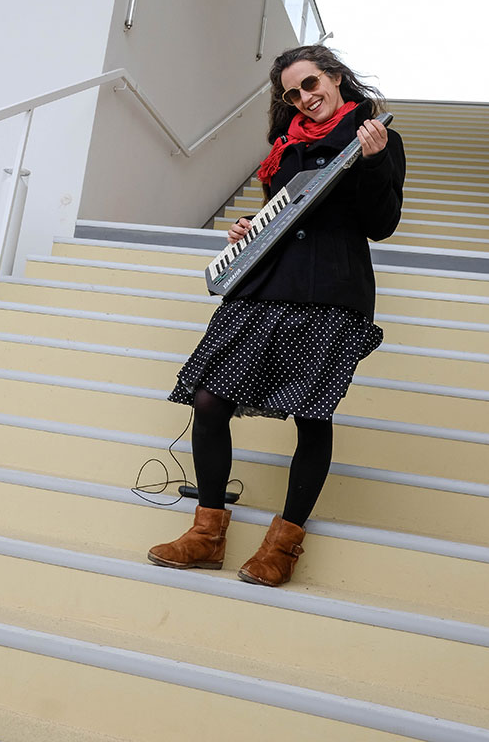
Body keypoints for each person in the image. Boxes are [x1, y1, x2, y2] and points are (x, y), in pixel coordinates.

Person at [148, 44, 405, 587]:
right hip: (265, 285)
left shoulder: (374, 137)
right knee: (209, 399)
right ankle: (206, 535)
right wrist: (250, 227)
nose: (304, 98)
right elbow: (283, 212)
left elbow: (381, 224)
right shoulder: (284, 148)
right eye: (292, 93)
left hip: (330, 291)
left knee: (311, 415)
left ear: (335, 77)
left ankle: (282, 546)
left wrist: (375, 161)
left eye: (311, 84)